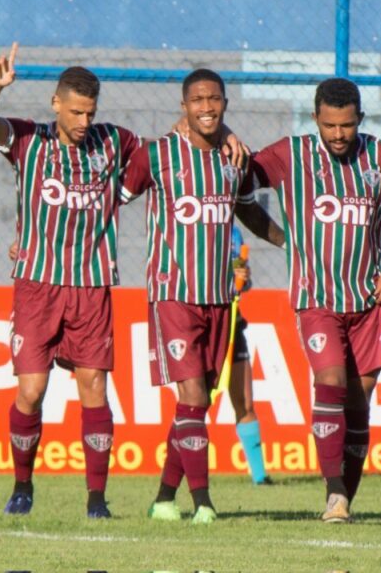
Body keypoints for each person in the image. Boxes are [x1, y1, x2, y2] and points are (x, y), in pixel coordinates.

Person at [0, 43, 140, 519]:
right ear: (56, 104)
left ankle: (97, 500)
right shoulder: (30, 141)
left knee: (94, 386)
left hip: (91, 287)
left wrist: (217, 130)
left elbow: (160, 154)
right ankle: (22, 487)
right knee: (31, 390)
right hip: (37, 285)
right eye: (76, 111)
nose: (84, 121)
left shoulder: (114, 141)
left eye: (90, 111)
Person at [248, 77, 381, 523]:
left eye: (346, 125)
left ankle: (347, 496)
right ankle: (334, 495)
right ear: (316, 120)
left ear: (359, 119)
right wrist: (280, 238)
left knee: (358, 405)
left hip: (366, 301)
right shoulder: (292, 154)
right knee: (328, 383)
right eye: (330, 126)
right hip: (316, 299)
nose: (338, 135)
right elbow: (239, 187)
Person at [119, 68, 282, 524]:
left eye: (214, 99)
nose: (206, 107)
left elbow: (249, 210)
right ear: (183, 107)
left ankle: (164, 498)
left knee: (198, 402)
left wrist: (292, 243)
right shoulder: (158, 156)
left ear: (225, 104)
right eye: (198, 100)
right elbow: (112, 197)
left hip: (219, 298)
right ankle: (204, 503)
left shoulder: (235, 160)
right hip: (172, 294)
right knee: (191, 393)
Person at [226, 226, 273, 486]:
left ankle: (259, 476)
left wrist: (243, 276)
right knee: (194, 403)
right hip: (203, 325)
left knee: (245, 402)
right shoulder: (192, 223)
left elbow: (242, 280)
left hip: (233, 323)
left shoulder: (235, 233)